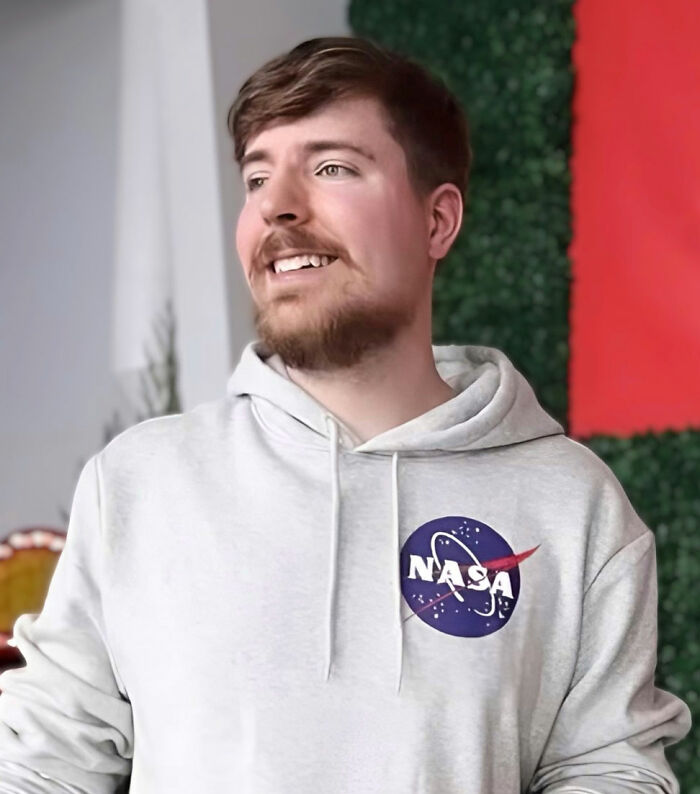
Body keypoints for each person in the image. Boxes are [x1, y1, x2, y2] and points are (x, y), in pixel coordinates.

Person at [0, 35, 691, 793]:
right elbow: (43, 764)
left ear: (438, 223)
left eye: (331, 167)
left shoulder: (574, 505)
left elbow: (609, 769)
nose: (278, 205)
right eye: (257, 176)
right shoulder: (139, 482)